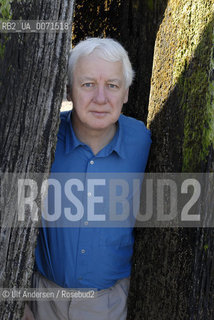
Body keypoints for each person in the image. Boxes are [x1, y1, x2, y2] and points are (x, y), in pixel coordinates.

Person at [23, 37, 151, 320]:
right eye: (88, 84)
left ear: (126, 93)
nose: (101, 98)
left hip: (109, 305)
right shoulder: (42, 139)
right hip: (43, 300)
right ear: (69, 89)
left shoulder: (142, 141)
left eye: (112, 85)